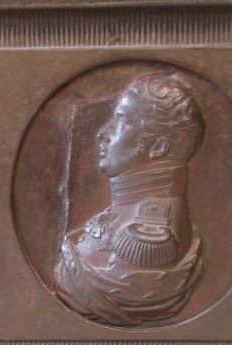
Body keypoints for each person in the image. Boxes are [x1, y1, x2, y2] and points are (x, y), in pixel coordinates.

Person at [54, 68, 205, 327]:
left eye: (120, 121)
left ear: (159, 147)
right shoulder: (124, 215)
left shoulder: (150, 237)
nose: (103, 133)